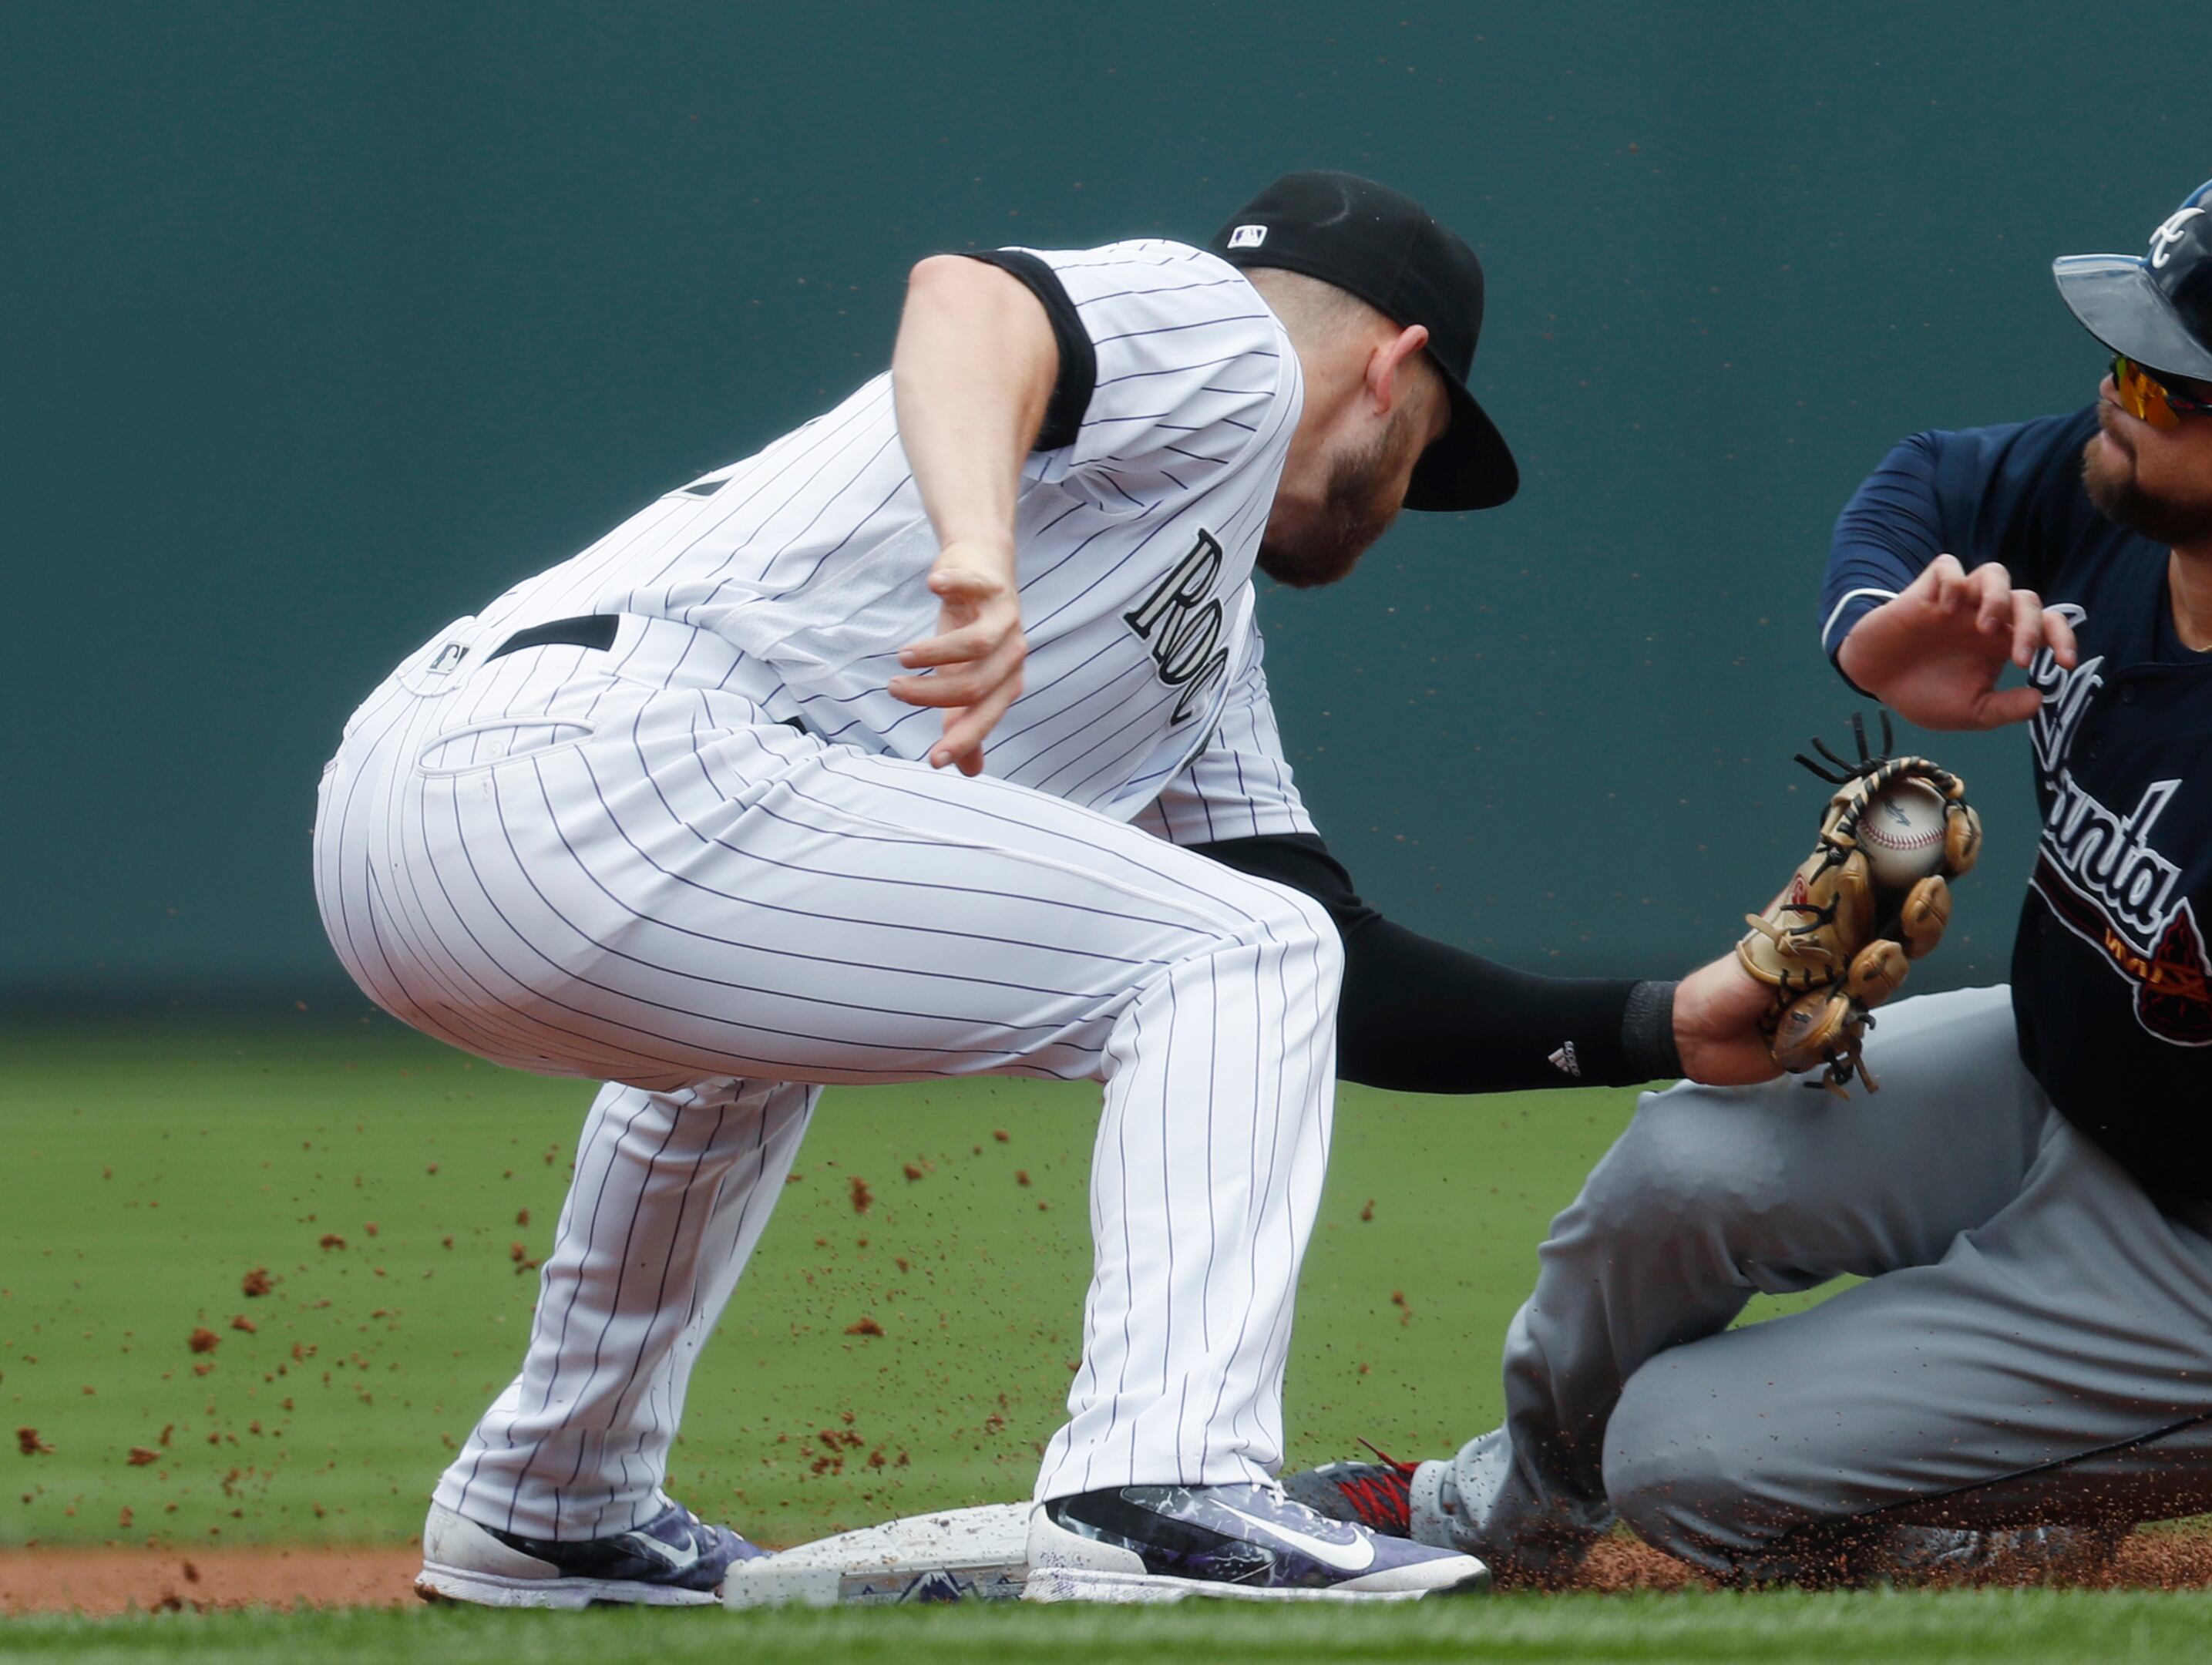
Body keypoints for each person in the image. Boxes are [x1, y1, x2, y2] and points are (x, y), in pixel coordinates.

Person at [313, 169, 1770, 1609]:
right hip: (590, 760)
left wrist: (1658, 1024)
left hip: (442, 803)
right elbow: (971, 301)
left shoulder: (1200, 639)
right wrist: (977, 550)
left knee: (848, 1035)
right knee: (1233, 952)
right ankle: (1159, 1483)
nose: (1404, 505)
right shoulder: (1232, 343)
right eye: (1429, 455)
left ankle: (553, 1502)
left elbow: (1331, 962)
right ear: (1394, 371)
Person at [1287, 169, 2212, 1589]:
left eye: (2170, 381)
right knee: (1674, 1168)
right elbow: (1927, 476)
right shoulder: (2141, 498)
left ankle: (1972, 1549)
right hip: (2068, 1074)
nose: (2116, 393)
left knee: (1680, 1459)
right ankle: (1513, 1516)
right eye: (2124, 353)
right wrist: (1878, 637)